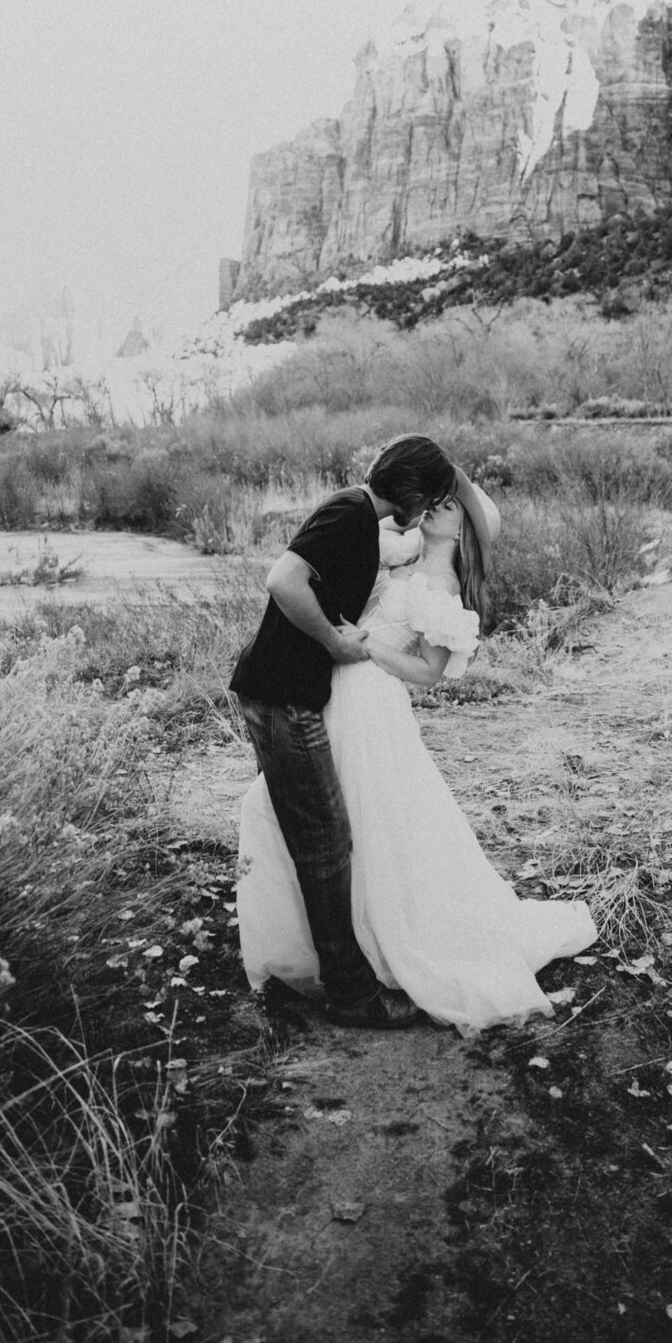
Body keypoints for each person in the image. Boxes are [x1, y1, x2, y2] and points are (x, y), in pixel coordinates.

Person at [237, 466, 597, 1036]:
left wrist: (371, 650)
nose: (435, 508)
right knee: (314, 816)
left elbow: (430, 673)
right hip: (334, 692)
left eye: (450, 507)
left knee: (364, 824)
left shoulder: (445, 588)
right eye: (436, 501)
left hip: (370, 698)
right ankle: (321, 948)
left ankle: (378, 945)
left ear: (463, 532)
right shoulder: (401, 554)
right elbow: (370, 520)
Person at [230, 433, 457, 1029]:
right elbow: (283, 580)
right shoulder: (347, 511)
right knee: (325, 844)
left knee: (320, 836)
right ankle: (351, 993)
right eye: (429, 495)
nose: (431, 506)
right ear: (410, 489)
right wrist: (333, 640)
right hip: (282, 697)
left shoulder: (362, 519)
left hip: (291, 693)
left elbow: (400, 549)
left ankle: (331, 969)